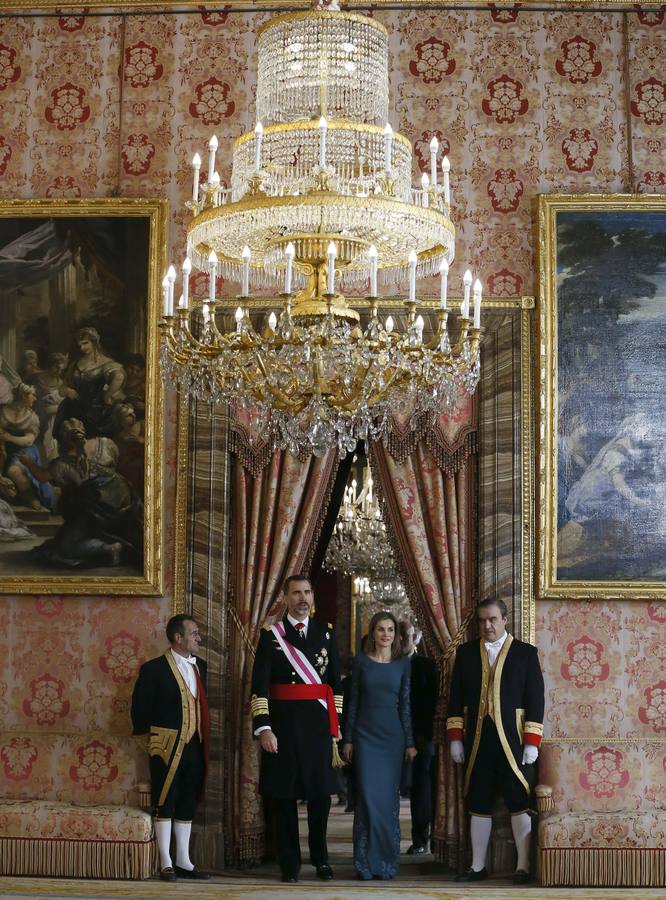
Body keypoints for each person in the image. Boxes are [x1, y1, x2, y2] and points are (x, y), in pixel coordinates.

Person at [251, 574, 343, 884]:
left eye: (307, 592)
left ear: (313, 596)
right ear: (286, 598)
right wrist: (264, 728)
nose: (302, 598)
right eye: (296, 593)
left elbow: (335, 685)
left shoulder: (326, 634)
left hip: (318, 728)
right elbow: (259, 686)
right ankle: (288, 863)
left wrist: (336, 725)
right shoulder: (271, 635)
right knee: (283, 797)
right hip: (283, 728)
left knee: (320, 798)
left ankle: (321, 859)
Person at [446, 598, 544, 884]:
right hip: (477, 742)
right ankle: (477, 867)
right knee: (479, 801)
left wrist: (532, 742)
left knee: (518, 801)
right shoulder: (464, 654)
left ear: (505, 620)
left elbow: (536, 700)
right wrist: (455, 739)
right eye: (482, 621)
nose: (487, 626)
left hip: (513, 741)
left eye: (492, 620)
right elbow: (456, 700)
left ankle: (523, 867)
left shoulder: (526, 653)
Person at [131, 614, 210, 882]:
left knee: (188, 798)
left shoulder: (202, 667)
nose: (199, 638)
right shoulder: (153, 669)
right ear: (178, 638)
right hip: (164, 746)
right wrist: (150, 743)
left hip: (195, 744)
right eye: (194, 633)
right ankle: (165, 862)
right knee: (165, 800)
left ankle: (183, 861)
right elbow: (139, 710)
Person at [342, 611, 416, 880]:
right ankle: (364, 863)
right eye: (381, 629)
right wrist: (347, 739)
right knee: (366, 800)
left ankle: (385, 863)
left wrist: (410, 742)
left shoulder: (403, 664)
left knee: (386, 803)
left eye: (390, 630)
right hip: (364, 737)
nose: (386, 634)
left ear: (396, 635)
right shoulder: (360, 662)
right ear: (372, 633)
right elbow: (353, 703)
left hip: (392, 740)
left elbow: (405, 705)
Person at [24, 418, 143, 568]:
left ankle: (111, 548)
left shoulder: (61, 464)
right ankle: (113, 543)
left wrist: (28, 463)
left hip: (95, 510)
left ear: (64, 440)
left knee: (66, 547)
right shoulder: (106, 443)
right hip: (124, 498)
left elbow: (41, 476)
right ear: (83, 431)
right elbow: (115, 464)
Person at [399, 619, 438, 855]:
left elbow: (431, 703)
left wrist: (422, 737)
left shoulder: (426, 665)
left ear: (416, 637)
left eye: (408, 635)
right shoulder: (388, 664)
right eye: (400, 635)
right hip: (392, 736)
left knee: (421, 790)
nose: (404, 640)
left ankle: (420, 838)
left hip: (423, 737)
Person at [54, 326, 125, 439]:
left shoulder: (106, 363)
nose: (82, 347)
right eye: (79, 345)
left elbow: (119, 377)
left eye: (85, 343)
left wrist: (107, 395)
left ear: (94, 342)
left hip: (95, 413)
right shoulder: (75, 363)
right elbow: (62, 388)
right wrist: (68, 390)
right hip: (72, 411)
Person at [0, 383, 54, 511]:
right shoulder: (3, 411)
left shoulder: (32, 417)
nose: (35, 398)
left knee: (14, 471)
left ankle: (30, 497)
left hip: (23, 450)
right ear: (24, 395)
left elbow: (29, 440)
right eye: (33, 395)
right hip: (3, 447)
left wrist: (8, 438)